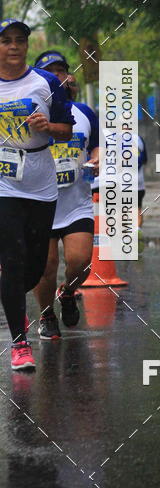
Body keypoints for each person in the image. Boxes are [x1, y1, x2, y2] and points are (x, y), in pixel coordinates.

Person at [0, 21, 73, 370]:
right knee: (12, 259)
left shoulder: (47, 83)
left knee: (35, 266)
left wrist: (48, 126)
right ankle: (19, 343)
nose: (13, 47)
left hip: (41, 177)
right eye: (5, 41)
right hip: (3, 180)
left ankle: (11, 295)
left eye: (19, 41)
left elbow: (66, 130)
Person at [31, 51, 99, 339]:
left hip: (76, 203)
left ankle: (68, 291)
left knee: (80, 260)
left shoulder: (84, 112)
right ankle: (46, 315)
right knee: (46, 267)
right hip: (40, 202)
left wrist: (97, 160)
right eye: (51, 72)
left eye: (62, 71)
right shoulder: (30, 113)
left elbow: (97, 146)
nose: (58, 77)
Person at [137, 134, 148, 228]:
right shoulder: (139, 138)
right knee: (138, 208)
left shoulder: (117, 139)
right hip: (139, 183)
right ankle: (138, 231)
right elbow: (144, 159)